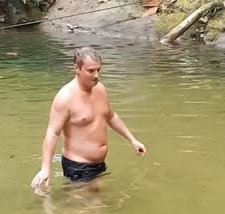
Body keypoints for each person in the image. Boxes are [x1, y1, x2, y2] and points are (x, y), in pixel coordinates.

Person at [30, 46, 146, 189]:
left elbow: (111, 116)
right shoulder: (65, 97)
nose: (96, 75)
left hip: (99, 164)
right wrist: (45, 169)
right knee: (91, 208)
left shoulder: (101, 90)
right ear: (77, 68)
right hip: (78, 166)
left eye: (98, 70)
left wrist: (133, 140)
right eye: (91, 71)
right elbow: (52, 133)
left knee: (92, 205)